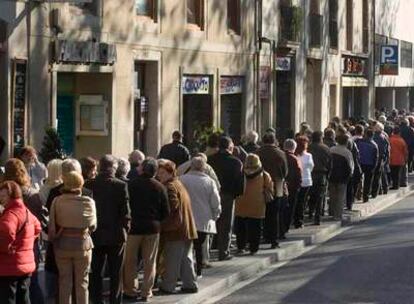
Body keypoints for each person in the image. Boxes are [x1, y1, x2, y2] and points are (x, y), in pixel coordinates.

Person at [44, 158, 93, 302]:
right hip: (82, 243)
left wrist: (56, 235)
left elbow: (49, 221)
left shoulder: (55, 194)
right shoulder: (87, 193)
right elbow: (93, 223)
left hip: (61, 243)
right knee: (82, 282)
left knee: (64, 281)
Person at [123, 158, 170, 302]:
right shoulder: (160, 187)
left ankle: (130, 290)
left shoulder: (131, 185)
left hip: (134, 227)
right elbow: (166, 211)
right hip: (152, 227)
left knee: (130, 260)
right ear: (155, 171)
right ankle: (146, 291)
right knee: (150, 261)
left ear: (142, 169)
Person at [87, 155, 130, 304]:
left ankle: (96, 299)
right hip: (116, 234)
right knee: (115, 272)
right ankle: (115, 300)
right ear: (114, 168)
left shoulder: (89, 184)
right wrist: (126, 229)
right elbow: (125, 211)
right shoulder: (120, 185)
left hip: (96, 234)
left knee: (96, 271)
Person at [2, 158, 46, 304]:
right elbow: (38, 224)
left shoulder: (6, 194)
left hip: (11, 250)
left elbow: (6, 230)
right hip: (29, 245)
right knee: (30, 285)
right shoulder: (32, 193)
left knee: (11, 292)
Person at [157, 160, 198, 294]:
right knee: (186, 258)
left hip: (176, 229)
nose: (159, 175)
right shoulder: (178, 183)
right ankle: (190, 284)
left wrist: (163, 222)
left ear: (170, 173)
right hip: (187, 227)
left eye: (162, 172)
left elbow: (172, 205)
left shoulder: (169, 186)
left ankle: (168, 286)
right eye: (159, 172)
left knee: (172, 259)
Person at [180, 157, 221, 276]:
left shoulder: (182, 179)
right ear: (204, 167)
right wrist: (215, 216)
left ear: (191, 166)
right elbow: (215, 201)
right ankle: (198, 271)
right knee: (199, 247)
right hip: (203, 219)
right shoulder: (209, 182)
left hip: (186, 218)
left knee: (186, 248)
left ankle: (186, 272)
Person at [208, 136, 244, 260]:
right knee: (226, 224)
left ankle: (207, 252)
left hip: (212, 194)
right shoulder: (236, 162)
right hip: (228, 195)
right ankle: (223, 252)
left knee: (212, 222)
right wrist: (237, 194)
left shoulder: (210, 160)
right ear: (230, 147)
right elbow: (240, 182)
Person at [234, 154, 273, 255]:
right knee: (255, 228)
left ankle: (241, 247)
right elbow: (270, 188)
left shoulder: (240, 173)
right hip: (257, 204)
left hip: (241, 203)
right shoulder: (264, 175)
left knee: (241, 227)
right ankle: (253, 248)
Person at [256, 132, 288, 247]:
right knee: (274, 214)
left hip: (260, 185)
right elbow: (285, 172)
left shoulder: (257, 153)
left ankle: (264, 236)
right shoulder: (280, 153)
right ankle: (274, 239)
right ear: (274, 141)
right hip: (276, 186)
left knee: (261, 214)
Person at [307, 131, 332, 225]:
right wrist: (328, 175)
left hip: (311, 173)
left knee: (310, 194)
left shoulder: (308, 147)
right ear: (321, 138)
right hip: (322, 174)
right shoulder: (326, 148)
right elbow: (330, 163)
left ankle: (310, 212)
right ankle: (317, 217)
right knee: (320, 196)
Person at [329, 135, 354, 220]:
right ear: (346, 142)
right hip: (343, 177)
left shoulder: (331, 149)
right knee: (340, 196)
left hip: (332, 175)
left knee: (332, 195)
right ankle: (338, 215)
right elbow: (351, 166)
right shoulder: (347, 152)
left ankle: (331, 212)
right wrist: (350, 175)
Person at [283, 139, 302, 235]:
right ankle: (285, 227)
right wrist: (298, 185)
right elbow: (299, 174)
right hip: (292, 187)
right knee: (290, 208)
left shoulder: (281, 156)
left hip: (281, 186)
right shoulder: (294, 159)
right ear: (293, 148)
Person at [294, 136, 314, 228]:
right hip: (306, 180)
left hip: (296, 181)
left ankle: (294, 219)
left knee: (295, 201)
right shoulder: (308, 156)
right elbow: (311, 167)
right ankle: (299, 220)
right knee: (302, 201)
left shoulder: (294, 155)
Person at [355, 128, 379, 202]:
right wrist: (374, 167)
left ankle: (356, 195)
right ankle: (365, 197)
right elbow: (376, 157)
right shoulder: (374, 145)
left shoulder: (359, 142)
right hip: (370, 165)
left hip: (360, 163)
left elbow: (356, 152)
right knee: (368, 182)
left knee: (357, 180)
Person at [372, 123, 390, 198]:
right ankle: (382, 189)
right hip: (381, 159)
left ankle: (377, 190)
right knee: (380, 175)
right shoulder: (384, 138)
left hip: (373, 158)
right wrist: (386, 159)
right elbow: (387, 150)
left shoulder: (372, 137)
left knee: (375, 175)